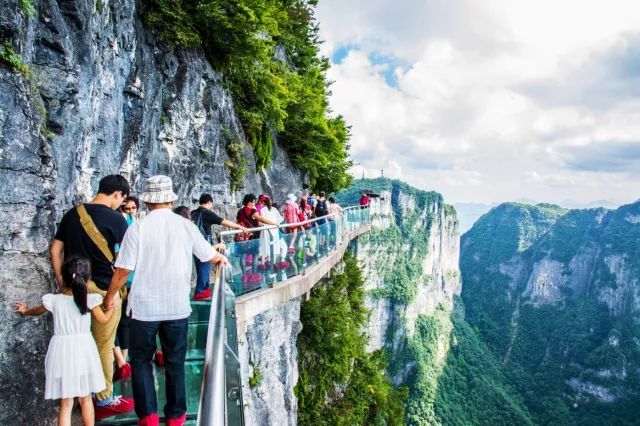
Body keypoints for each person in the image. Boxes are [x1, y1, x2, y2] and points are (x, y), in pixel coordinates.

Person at [103, 175, 229, 426]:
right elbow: (207, 255)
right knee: (175, 362)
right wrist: (220, 257)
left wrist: (109, 297)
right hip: (176, 308)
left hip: (143, 309)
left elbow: (123, 270)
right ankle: (176, 416)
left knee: (140, 363)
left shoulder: (137, 227)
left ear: (147, 202)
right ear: (171, 199)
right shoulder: (185, 226)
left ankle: (148, 417)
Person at [49, 174, 134, 419]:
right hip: (104, 291)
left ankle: (80, 397)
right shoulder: (117, 220)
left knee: (78, 343)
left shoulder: (72, 214)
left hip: (75, 290)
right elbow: (125, 261)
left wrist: (64, 283)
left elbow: (56, 250)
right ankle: (103, 398)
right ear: (118, 194)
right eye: (122, 199)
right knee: (103, 346)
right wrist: (111, 295)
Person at [13, 257, 115, 426]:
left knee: (66, 403)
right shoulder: (89, 300)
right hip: (83, 350)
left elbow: (36, 311)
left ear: (64, 278)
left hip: (62, 352)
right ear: (87, 278)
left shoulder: (54, 300)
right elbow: (103, 320)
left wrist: (25, 311)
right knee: (86, 399)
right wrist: (111, 309)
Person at [191, 194, 246, 300]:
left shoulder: (193, 213)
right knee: (205, 265)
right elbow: (223, 221)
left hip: (193, 242)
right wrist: (239, 226)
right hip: (204, 242)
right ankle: (201, 291)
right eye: (211, 204)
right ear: (209, 202)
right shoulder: (206, 212)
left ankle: (204, 289)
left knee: (200, 266)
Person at [236, 193, 279, 284]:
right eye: (253, 201)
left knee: (243, 256)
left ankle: (244, 276)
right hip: (252, 236)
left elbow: (237, 223)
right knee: (255, 255)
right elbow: (261, 219)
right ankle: (254, 274)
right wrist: (274, 223)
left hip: (242, 236)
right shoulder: (252, 211)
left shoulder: (240, 211)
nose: (254, 203)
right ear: (250, 202)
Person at [257, 195, 287, 272]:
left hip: (266, 231)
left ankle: (264, 263)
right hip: (274, 231)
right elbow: (280, 219)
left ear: (263, 202)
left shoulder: (263, 210)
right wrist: (275, 223)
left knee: (265, 246)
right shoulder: (274, 209)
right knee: (274, 247)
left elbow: (262, 220)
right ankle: (272, 263)